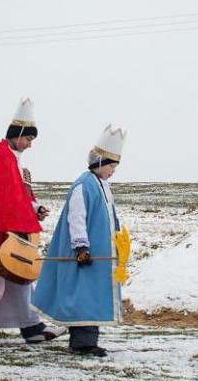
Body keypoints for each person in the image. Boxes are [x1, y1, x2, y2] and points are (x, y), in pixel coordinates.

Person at [0, 97, 66, 345]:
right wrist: (25, 216)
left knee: (18, 279)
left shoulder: (11, 159)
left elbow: (17, 195)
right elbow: (1, 196)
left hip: (5, 228)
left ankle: (31, 325)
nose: (30, 145)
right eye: (29, 139)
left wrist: (34, 208)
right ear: (18, 133)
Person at [32, 124, 127, 357]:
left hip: (100, 255)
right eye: (111, 165)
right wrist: (81, 246)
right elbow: (77, 218)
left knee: (92, 294)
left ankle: (88, 341)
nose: (113, 170)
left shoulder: (103, 186)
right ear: (100, 163)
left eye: (115, 165)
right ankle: (82, 343)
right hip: (85, 254)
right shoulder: (83, 185)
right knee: (83, 295)